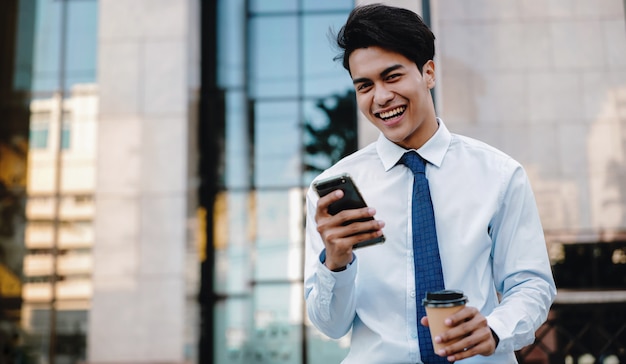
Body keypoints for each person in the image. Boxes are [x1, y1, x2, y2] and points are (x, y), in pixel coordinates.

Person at [304, 3, 556, 364]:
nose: (381, 97)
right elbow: (330, 325)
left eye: (392, 76)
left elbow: (532, 286)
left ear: (429, 73)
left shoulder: (500, 175)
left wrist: (495, 329)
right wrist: (336, 262)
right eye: (365, 86)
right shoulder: (332, 193)